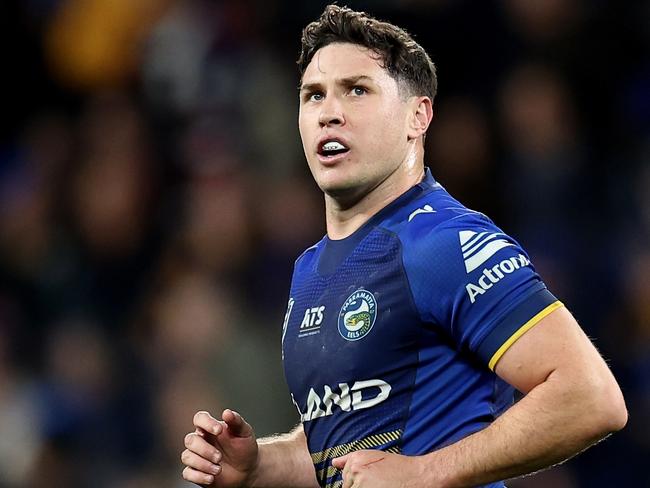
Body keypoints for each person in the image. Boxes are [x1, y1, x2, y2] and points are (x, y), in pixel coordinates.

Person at [181, 5, 627, 488]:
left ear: (418, 115)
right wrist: (258, 467)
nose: (330, 112)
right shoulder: (309, 269)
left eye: (357, 90)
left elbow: (590, 397)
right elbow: (349, 449)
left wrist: (424, 474)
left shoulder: (443, 241)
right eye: (314, 95)